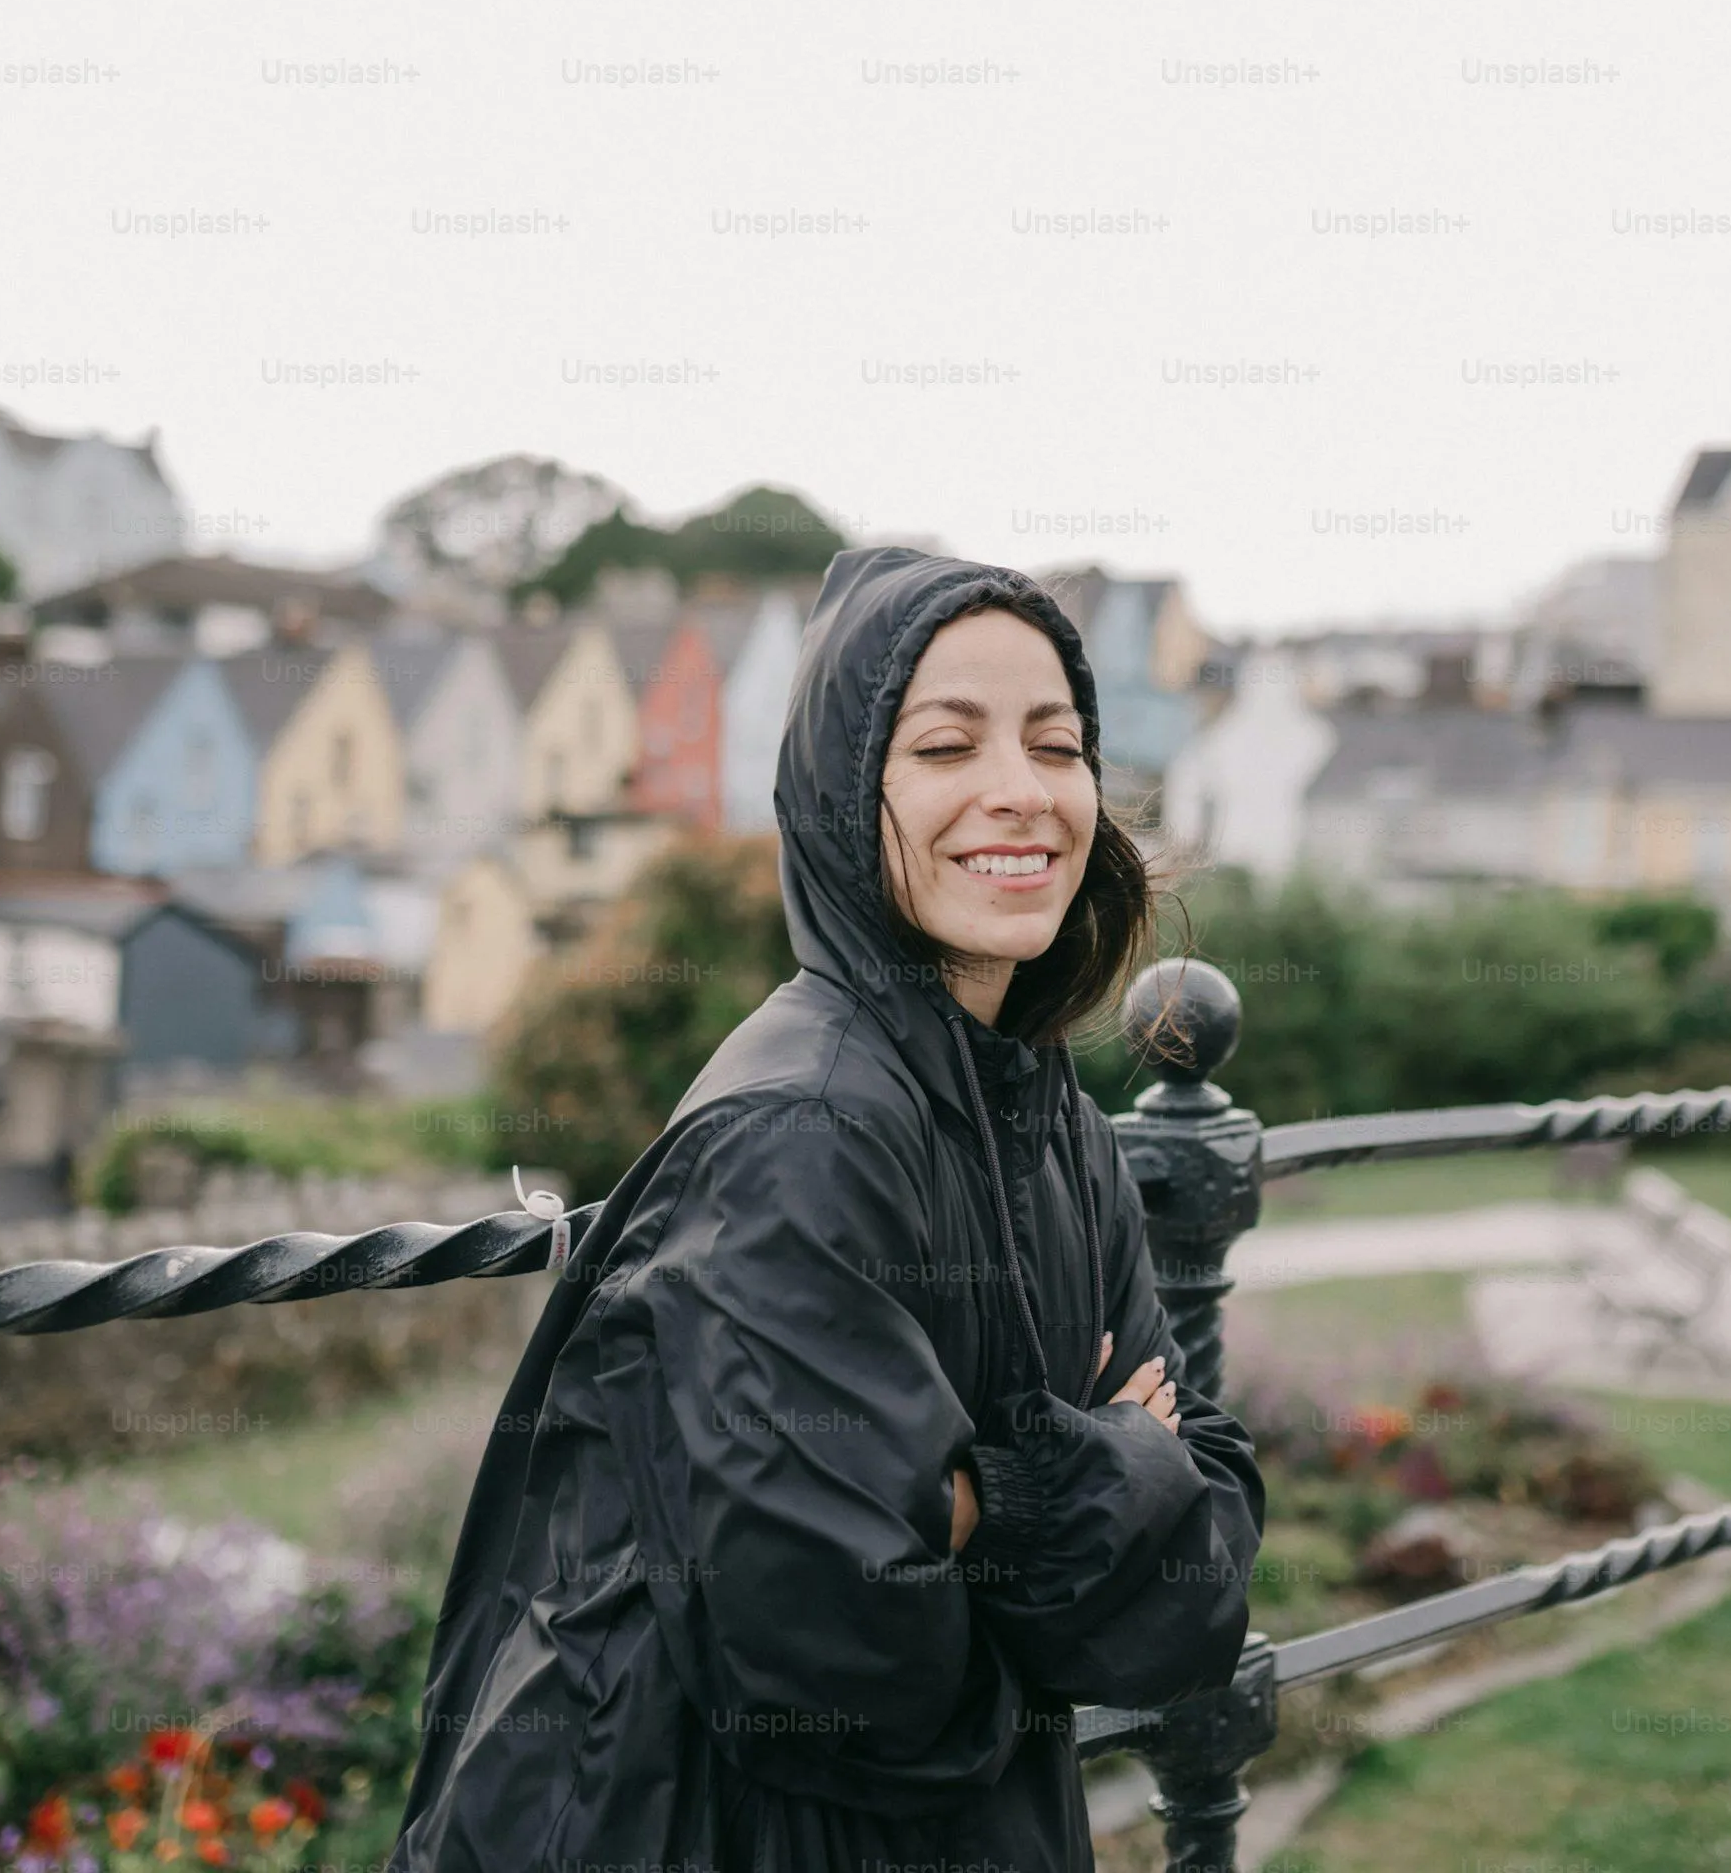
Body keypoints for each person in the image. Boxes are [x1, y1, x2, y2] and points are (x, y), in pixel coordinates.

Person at [388, 548, 1264, 1873]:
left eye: (1058, 743)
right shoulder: (800, 1133)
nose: (1020, 792)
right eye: (945, 747)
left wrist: (973, 1501)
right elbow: (840, 1657)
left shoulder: (1056, 1123)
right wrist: (1074, 1468)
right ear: (847, 795)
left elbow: (1195, 1575)